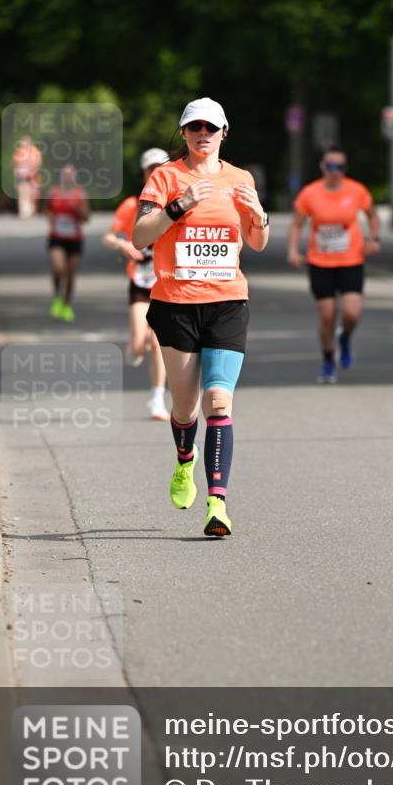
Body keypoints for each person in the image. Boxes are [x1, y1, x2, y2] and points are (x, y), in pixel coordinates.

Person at [132, 98, 269, 536]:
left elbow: (258, 241)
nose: (203, 133)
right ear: (184, 133)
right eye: (196, 127)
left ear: (224, 132)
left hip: (228, 301)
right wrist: (179, 205)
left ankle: (218, 505)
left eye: (212, 127)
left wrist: (259, 215)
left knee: (219, 403)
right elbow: (139, 236)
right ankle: (184, 460)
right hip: (175, 303)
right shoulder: (166, 177)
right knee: (186, 406)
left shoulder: (240, 178)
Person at [287, 148, 380, 383]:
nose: (335, 172)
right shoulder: (310, 193)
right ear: (323, 167)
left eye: (340, 167)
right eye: (330, 166)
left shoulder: (356, 190)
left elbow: (372, 214)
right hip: (320, 261)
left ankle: (345, 337)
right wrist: (292, 250)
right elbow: (297, 224)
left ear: (345, 170)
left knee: (351, 313)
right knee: (327, 316)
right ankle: (328, 360)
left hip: (351, 260)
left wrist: (374, 238)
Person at [103, 148, 170, 421]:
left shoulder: (174, 202)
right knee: (140, 343)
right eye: (150, 168)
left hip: (165, 282)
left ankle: (157, 398)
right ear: (143, 173)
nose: (155, 172)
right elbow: (108, 236)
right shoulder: (133, 204)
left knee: (158, 343)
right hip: (140, 281)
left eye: (160, 167)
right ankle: (134, 346)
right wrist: (123, 244)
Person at [44, 164, 90, 322]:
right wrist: (51, 220)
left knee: (70, 274)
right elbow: (47, 209)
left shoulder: (80, 194)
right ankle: (57, 296)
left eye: (71, 175)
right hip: (57, 237)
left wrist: (76, 209)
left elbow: (86, 217)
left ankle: (67, 304)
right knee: (58, 268)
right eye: (65, 175)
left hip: (74, 239)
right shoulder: (54, 192)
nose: (68, 177)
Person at [13, 135, 42, 219]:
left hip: (33, 176)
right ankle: (24, 211)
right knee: (23, 192)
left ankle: (31, 210)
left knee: (33, 194)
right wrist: (16, 173)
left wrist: (33, 172)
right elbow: (15, 164)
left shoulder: (34, 151)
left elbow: (38, 163)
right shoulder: (19, 152)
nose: (23, 144)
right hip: (22, 177)